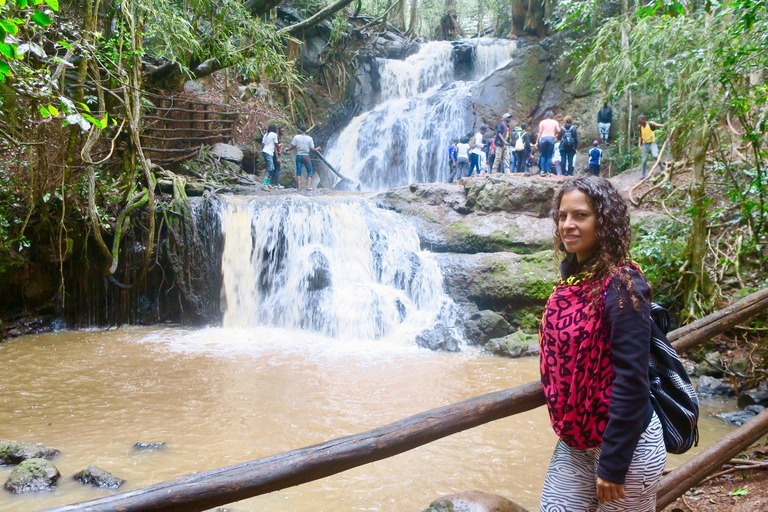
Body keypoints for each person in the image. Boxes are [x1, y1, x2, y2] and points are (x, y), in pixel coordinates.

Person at [539, 176, 666, 512]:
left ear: (604, 221)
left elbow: (631, 379)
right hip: (576, 440)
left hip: (627, 445)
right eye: (562, 216)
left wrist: (613, 464)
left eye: (580, 216)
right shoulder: (574, 280)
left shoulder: (623, 285)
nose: (568, 225)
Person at [288, 125, 322, 191]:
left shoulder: (296, 137)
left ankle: (299, 187)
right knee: (309, 171)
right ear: (306, 130)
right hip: (306, 156)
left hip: (298, 155)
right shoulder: (309, 138)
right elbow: (313, 149)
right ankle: (308, 187)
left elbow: (293, 147)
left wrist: (288, 149)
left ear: (300, 130)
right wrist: (318, 148)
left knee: (298, 171)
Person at [637, 115, 666, 179]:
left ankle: (662, 168)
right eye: (640, 123)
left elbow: (657, 125)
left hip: (652, 143)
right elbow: (640, 136)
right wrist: (639, 144)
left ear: (644, 120)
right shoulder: (640, 127)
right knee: (644, 160)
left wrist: (664, 125)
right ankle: (643, 175)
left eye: (641, 122)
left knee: (655, 155)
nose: (641, 124)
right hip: (645, 144)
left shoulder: (650, 124)